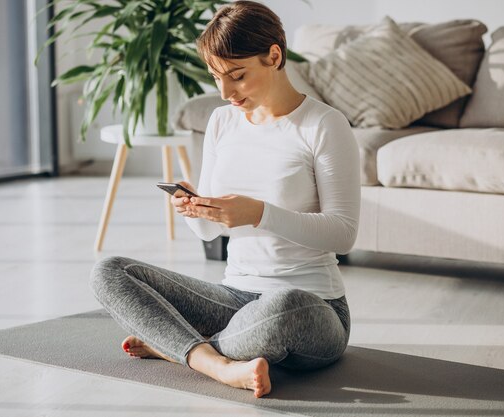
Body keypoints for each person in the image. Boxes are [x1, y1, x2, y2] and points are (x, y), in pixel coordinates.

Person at [90, 0, 360, 398]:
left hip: (310, 304)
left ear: (273, 56)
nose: (226, 92)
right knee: (110, 271)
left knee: (282, 307)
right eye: (217, 77)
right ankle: (217, 363)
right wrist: (194, 208)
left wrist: (259, 214)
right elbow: (207, 229)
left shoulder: (323, 125)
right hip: (233, 296)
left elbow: (344, 234)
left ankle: (180, 348)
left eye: (237, 75)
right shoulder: (222, 121)